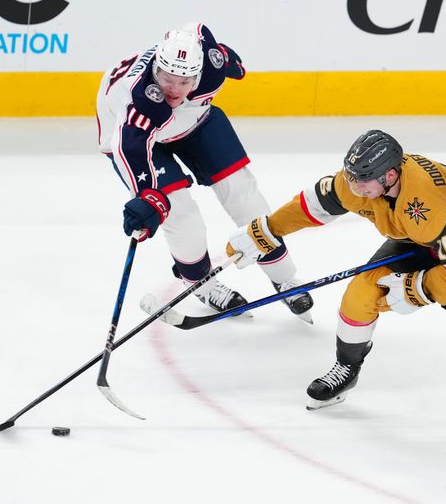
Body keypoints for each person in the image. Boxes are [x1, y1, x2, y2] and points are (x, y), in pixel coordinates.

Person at [227, 129, 446, 457]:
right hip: (420, 235)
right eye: (352, 177)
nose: (355, 187)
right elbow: (315, 203)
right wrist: (267, 231)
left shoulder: (426, 205)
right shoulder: (359, 182)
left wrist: (417, 288)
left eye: (364, 181)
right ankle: (346, 370)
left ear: (390, 176)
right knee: (362, 291)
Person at [95, 22, 313, 321]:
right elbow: (128, 148)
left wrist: (229, 60)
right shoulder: (139, 101)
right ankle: (202, 284)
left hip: (193, 122)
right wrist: (148, 200)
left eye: (185, 82)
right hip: (141, 141)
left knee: (244, 196)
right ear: (155, 69)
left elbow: (197, 30)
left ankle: (284, 277)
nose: (174, 89)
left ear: (198, 75)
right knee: (182, 218)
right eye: (167, 79)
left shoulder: (211, 65)